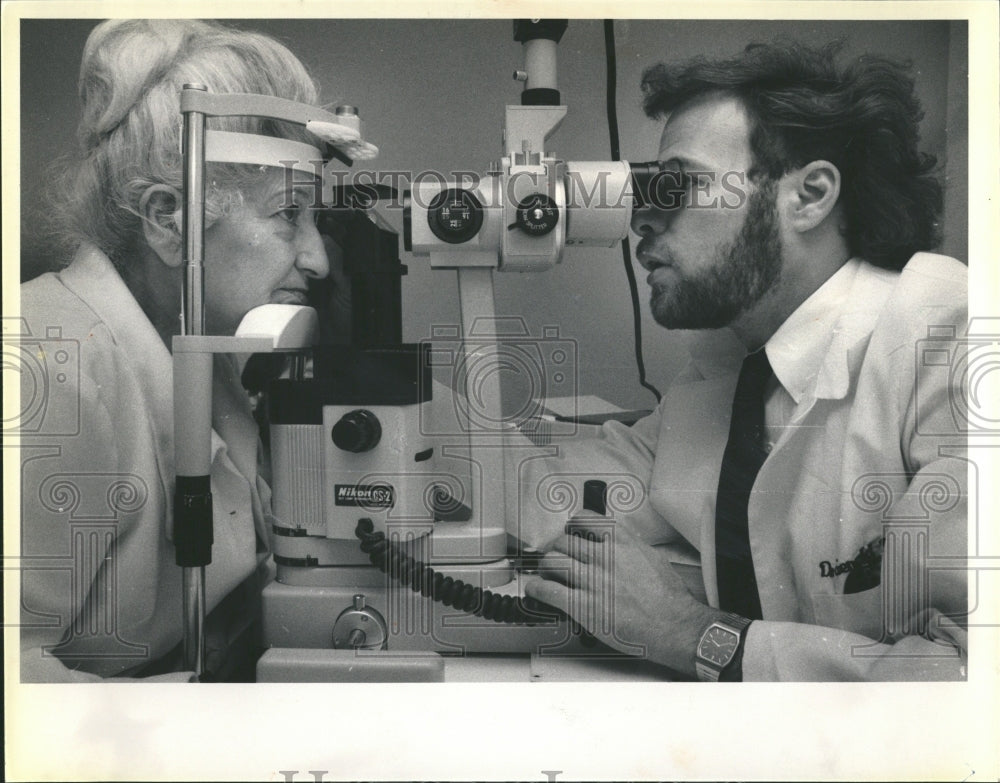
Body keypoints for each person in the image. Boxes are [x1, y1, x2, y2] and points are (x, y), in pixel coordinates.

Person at [519, 41, 969, 681]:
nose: (642, 218)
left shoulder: (950, 334)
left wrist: (690, 633)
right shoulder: (726, 371)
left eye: (677, 183)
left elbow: (973, 685)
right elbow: (542, 492)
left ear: (809, 195)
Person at [18, 19, 343, 681]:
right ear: (171, 221)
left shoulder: (206, 348)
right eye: (289, 213)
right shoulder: (50, 370)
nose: (317, 259)